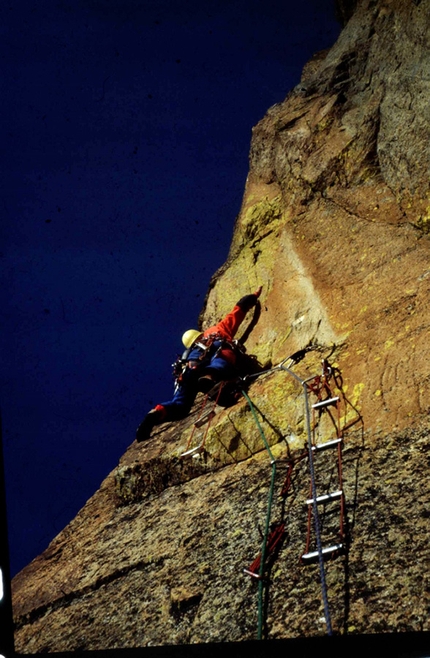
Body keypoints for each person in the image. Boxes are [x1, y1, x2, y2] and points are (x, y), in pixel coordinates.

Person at [135, 287, 262, 442]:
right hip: (213, 353)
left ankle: (157, 413)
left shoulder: (188, 354)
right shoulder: (215, 331)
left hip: (189, 368)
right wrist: (253, 296)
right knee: (224, 357)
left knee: (181, 406)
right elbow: (238, 310)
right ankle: (210, 377)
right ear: (199, 335)